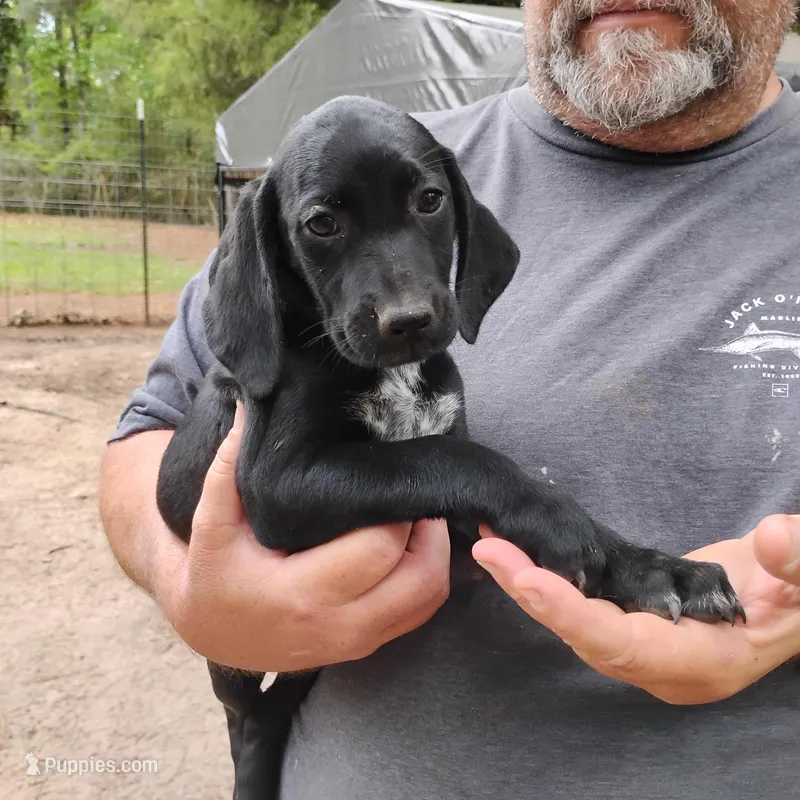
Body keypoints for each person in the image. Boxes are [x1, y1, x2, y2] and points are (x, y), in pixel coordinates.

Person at [99, 1, 800, 797]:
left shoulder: (427, 177)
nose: (401, 303)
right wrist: (190, 590)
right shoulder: (357, 184)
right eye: (324, 226)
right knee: (255, 716)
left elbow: (475, 502)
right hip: (292, 695)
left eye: (424, 209)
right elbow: (159, 435)